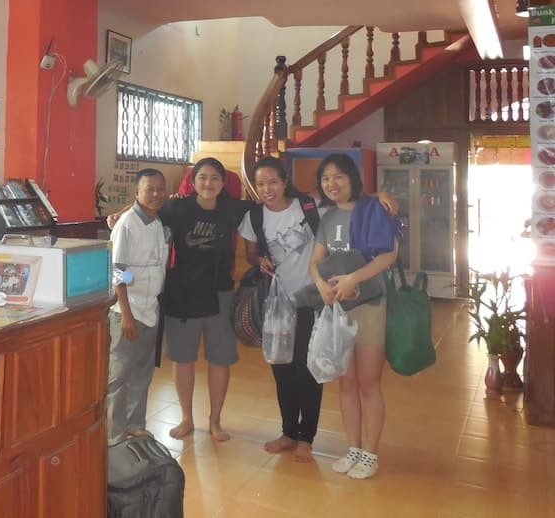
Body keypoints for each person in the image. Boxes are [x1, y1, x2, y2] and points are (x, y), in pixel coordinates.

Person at [309, 152, 399, 480]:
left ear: (352, 179)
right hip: (338, 309)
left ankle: (371, 453)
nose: (331, 183)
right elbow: (315, 261)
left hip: (370, 306)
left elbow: (388, 255)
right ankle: (353, 448)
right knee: (345, 382)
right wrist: (321, 285)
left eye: (339, 177)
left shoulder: (374, 209)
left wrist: (352, 279)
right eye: (325, 178)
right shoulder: (327, 218)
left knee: (368, 383)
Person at [157, 157, 251, 441]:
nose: (208, 183)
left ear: (223, 183)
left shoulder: (233, 208)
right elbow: (146, 206)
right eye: (202, 177)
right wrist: (117, 215)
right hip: (182, 294)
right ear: (193, 181)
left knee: (219, 359)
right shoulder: (177, 207)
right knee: (182, 358)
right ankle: (186, 418)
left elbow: (272, 204)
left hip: (220, 293)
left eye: (214, 178)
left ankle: (215, 420)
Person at [237, 157, 323, 463]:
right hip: (276, 303)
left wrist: (380, 196)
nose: (267, 189)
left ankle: (306, 438)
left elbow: (347, 202)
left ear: (285, 181)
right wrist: (259, 260)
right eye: (260, 184)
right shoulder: (254, 216)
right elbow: (250, 253)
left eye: (273, 182)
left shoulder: (308, 206)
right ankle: (288, 431)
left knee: (306, 368)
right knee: (281, 366)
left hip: (310, 299)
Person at [106, 168, 170, 444]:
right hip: (127, 312)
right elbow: (117, 272)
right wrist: (127, 315)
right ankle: (114, 435)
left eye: (160, 189)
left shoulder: (157, 222)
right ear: (137, 192)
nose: (156, 194)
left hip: (150, 310)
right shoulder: (127, 224)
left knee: (142, 372)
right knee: (119, 375)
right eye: (149, 189)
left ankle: (135, 425)